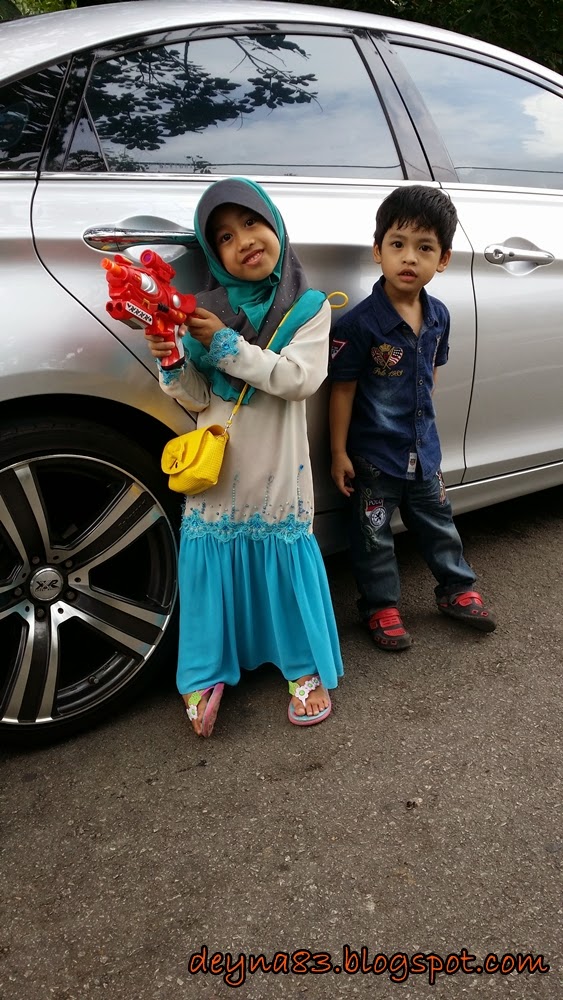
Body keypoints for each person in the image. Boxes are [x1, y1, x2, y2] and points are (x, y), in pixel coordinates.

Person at [146, 177, 344, 734]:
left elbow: (298, 380)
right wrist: (171, 361)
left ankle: (301, 666)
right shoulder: (204, 311)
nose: (244, 241)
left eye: (252, 222)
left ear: (275, 223)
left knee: (281, 553)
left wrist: (226, 344)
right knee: (214, 557)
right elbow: (195, 398)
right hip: (219, 471)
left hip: (278, 468)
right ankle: (205, 668)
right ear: (214, 255)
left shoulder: (308, 307)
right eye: (225, 237)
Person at [329, 184, 496, 651]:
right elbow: (342, 390)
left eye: (424, 248)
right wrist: (338, 452)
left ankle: (457, 588)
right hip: (374, 458)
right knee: (373, 536)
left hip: (424, 453)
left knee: (439, 522)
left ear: (443, 259)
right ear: (377, 250)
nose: (409, 258)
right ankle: (380, 606)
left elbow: (430, 375)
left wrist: (423, 432)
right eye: (398, 244)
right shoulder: (359, 324)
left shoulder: (439, 316)